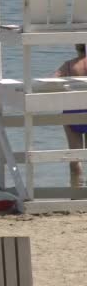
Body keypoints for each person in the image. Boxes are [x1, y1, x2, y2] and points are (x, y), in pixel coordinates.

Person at [54, 44, 87, 188]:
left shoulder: (68, 65)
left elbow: (51, 82)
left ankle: (76, 192)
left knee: (75, 158)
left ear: (76, 46)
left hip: (72, 111)